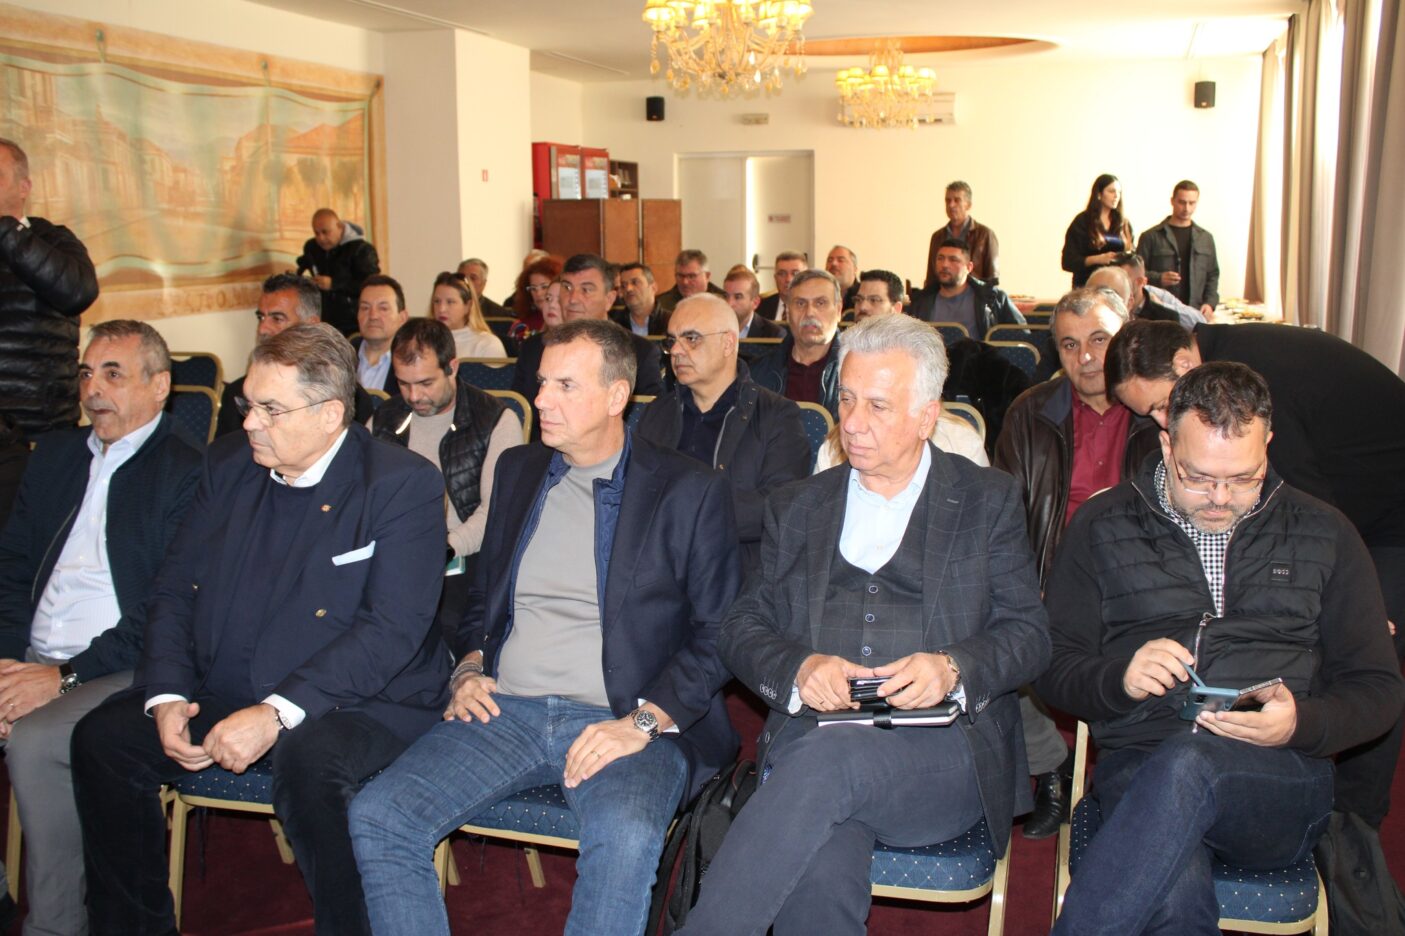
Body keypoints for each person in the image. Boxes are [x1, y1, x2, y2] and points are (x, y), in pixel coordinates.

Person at [349, 318, 742, 936]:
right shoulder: (520, 470)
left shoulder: (688, 491)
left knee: (626, 835)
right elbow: (483, 599)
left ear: (616, 396)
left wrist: (641, 723)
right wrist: (469, 668)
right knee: (381, 814)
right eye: (541, 383)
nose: (540, 401)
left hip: (624, 719)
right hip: (506, 710)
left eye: (565, 386)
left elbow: (719, 633)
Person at [71, 323, 450, 936]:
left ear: (330, 415)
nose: (249, 422)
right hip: (229, 684)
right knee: (103, 739)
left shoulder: (399, 484)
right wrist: (166, 693)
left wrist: (276, 713)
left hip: (359, 699)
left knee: (310, 763)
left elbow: (391, 630)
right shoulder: (228, 465)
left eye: (271, 409)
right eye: (248, 403)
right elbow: (173, 589)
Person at [677, 313, 1050, 935]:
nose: (851, 422)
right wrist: (799, 667)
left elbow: (1030, 634)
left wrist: (952, 668)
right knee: (820, 866)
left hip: (942, 753)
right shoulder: (799, 505)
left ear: (927, 416)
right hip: (813, 748)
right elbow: (742, 626)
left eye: (877, 405)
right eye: (846, 399)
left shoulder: (987, 499)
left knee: (829, 763)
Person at [1039, 362, 1405, 936]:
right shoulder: (1102, 525)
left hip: (1279, 781)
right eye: (1199, 477)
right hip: (1141, 762)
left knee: (1189, 765)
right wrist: (1118, 678)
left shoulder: (1325, 532)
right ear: (1166, 443)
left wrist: (1300, 723)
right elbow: (1053, 665)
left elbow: (1379, 689)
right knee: (1171, 891)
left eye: (1242, 478)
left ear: (1268, 445)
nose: (1219, 498)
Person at [1105, 318, 1405, 832]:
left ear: (1184, 364)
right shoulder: (1218, 354)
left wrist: (1356, 597)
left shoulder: (1247, 391)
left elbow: (1304, 519)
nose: (1160, 423)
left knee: (1373, 648)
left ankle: (1354, 828)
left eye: (1159, 405)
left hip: (1389, 508)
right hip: (1352, 488)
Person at [0, 321, 201, 936]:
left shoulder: (187, 471)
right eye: (87, 373)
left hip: (121, 664)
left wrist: (60, 677)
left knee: (36, 739)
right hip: (33, 654)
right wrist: (7, 667)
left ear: (159, 386)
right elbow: (13, 568)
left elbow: (165, 608)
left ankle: (56, 926)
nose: (93, 389)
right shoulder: (56, 456)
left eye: (113, 374)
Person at [992, 286, 1160, 839]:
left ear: (1126, 339)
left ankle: (1126, 772)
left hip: (1142, 581)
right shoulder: (1030, 412)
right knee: (998, 639)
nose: (1085, 357)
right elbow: (1004, 514)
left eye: (1099, 339)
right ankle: (1052, 765)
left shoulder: (1157, 409)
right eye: (1069, 344)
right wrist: (1023, 586)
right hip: (1050, 575)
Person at [370, 318, 520, 649]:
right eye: (404, 383)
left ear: (452, 367)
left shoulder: (495, 420)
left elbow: (495, 512)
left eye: (425, 383)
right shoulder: (383, 419)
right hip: (392, 553)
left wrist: (443, 547)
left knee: (440, 630)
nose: (414, 396)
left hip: (462, 557)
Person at [636, 293, 810, 569]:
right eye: (672, 341)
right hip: (660, 566)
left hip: (738, 570)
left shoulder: (777, 416)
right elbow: (634, 492)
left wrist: (693, 516)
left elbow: (780, 507)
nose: (677, 350)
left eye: (691, 338)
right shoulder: (657, 413)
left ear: (728, 343)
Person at [0, 138, 99, 438]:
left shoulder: (52, 239)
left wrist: (6, 229)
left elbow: (79, 292)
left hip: (35, 428)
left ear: (24, 188)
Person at [512, 254, 665, 439]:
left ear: (609, 299)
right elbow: (520, 415)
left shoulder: (639, 352)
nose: (573, 299)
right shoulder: (533, 349)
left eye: (586, 289)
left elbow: (651, 421)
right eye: (567, 287)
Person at [216, 273, 377, 438]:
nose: (263, 329)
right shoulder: (237, 394)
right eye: (261, 317)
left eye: (277, 318)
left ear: (310, 325)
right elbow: (226, 452)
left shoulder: (349, 398)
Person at [749, 269, 844, 418]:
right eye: (800, 303)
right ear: (787, 311)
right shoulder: (758, 373)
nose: (810, 312)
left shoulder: (856, 369)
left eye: (820, 303)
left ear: (838, 310)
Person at [908, 238, 1029, 342]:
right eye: (940, 258)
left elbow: (1022, 336)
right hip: (933, 361)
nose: (945, 265)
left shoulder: (993, 298)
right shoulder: (921, 301)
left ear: (969, 267)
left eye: (953, 260)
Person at [1137, 180, 1220, 317]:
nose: (1187, 208)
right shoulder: (1151, 237)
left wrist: (1210, 304)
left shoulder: (1206, 238)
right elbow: (1136, 275)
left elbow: (1212, 275)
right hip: (1159, 312)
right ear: (1172, 201)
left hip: (1196, 312)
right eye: (1182, 202)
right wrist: (1159, 278)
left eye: (1192, 203)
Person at [296, 208, 380, 336]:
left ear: (340, 227)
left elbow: (372, 285)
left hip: (355, 322)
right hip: (324, 321)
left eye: (325, 232)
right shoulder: (312, 247)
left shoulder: (362, 249)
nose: (321, 238)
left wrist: (334, 284)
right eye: (316, 233)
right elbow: (305, 263)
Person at [1061, 173, 1134, 288]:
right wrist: (1098, 259)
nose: (1116, 196)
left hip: (1116, 285)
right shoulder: (1082, 221)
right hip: (1088, 284)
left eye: (1119, 192)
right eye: (1111, 191)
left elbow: (1132, 253)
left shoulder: (1123, 223)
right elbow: (1068, 261)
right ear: (1099, 194)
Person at [1098, 253, 1206, 328]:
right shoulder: (1104, 301)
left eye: (1122, 279)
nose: (1115, 284)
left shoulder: (1158, 299)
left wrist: (1161, 305)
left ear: (1140, 282)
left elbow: (1199, 320)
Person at [926, 180, 1000, 286]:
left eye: (957, 200)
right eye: (948, 201)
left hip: (974, 295)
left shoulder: (985, 235)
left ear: (968, 205)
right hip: (942, 295)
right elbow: (931, 277)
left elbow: (992, 279)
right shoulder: (937, 237)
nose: (951, 205)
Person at [428, 271, 507, 360]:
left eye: (450, 302)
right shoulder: (423, 341)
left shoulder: (487, 344)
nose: (441, 309)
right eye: (437, 301)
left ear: (468, 306)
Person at [352, 274, 409, 396]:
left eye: (383, 308)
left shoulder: (411, 361)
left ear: (402, 318)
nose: (373, 316)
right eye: (365, 308)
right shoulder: (340, 357)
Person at [508, 254, 563, 343]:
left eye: (544, 287)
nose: (538, 293)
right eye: (533, 288)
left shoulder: (573, 324)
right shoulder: (522, 327)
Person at [656, 248, 726, 317]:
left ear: (707, 276)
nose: (685, 282)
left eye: (691, 276)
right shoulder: (661, 305)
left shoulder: (724, 301)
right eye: (680, 276)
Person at [722, 266, 785, 340]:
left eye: (738, 297)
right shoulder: (714, 328)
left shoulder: (773, 334)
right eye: (726, 296)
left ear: (755, 303)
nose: (729, 303)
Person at [611, 262, 665, 336]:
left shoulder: (670, 322)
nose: (628, 289)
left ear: (653, 288)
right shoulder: (614, 326)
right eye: (624, 285)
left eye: (635, 282)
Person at [757, 251, 808, 322]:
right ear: (775, 278)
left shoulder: (815, 308)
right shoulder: (759, 307)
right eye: (782, 274)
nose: (788, 279)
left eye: (795, 273)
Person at [824, 245, 861, 311]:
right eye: (830, 260)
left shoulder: (863, 297)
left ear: (854, 269)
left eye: (840, 260)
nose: (833, 263)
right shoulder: (818, 295)